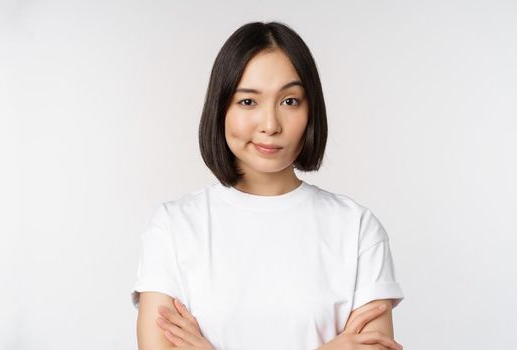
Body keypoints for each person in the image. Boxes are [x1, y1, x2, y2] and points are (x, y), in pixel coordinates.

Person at [130, 21, 406, 350]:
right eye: (248, 102)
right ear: (221, 109)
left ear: (310, 109)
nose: (271, 125)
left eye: (290, 101)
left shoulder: (358, 229)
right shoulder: (172, 228)